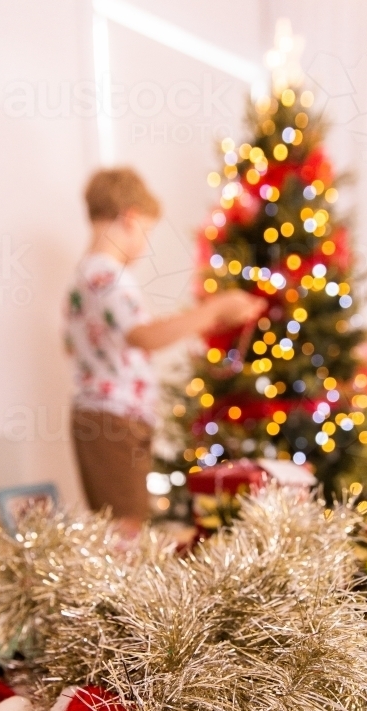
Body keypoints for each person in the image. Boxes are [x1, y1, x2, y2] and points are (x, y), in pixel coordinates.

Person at [64, 167, 264, 536]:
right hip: (114, 418)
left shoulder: (85, 276)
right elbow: (145, 336)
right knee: (126, 525)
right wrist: (214, 311)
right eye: (146, 232)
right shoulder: (107, 276)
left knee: (121, 520)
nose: (144, 244)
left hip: (108, 415)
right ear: (130, 218)